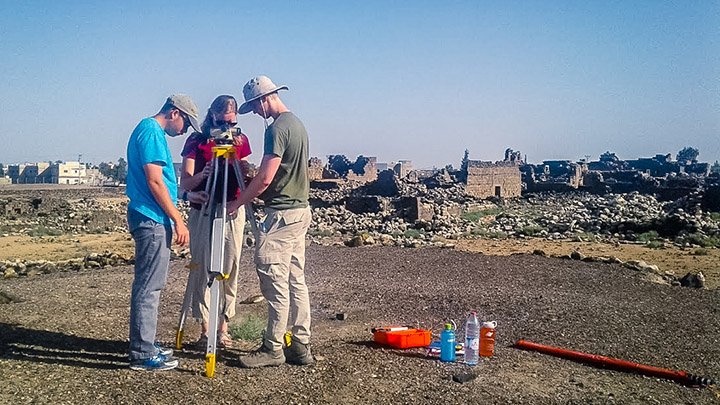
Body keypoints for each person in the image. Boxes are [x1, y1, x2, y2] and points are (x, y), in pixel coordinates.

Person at [232, 75, 313, 368]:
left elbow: (267, 177)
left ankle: (273, 347)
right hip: (299, 210)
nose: (255, 112)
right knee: (295, 279)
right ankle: (301, 344)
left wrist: (238, 202)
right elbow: (285, 172)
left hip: (281, 216)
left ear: (265, 99)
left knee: (274, 280)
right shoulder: (298, 125)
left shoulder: (277, 129)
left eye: (255, 106)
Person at [126, 94, 202, 371]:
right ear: (174, 112)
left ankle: (144, 344)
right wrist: (178, 221)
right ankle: (143, 352)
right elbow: (155, 181)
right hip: (152, 218)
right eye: (185, 124)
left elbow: (158, 181)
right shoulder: (151, 132)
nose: (183, 131)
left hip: (151, 216)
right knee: (149, 287)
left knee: (149, 285)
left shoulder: (147, 131)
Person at [179, 95, 252, 348]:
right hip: (204, 208)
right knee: (201, 267)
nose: (226, 129)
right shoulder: (196, 141)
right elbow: (185, 183)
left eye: (231, 123)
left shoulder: (240, 141)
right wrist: (202, 176)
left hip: (231, 207)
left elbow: (244, 175)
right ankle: (204, 329)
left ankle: (223, 327)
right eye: (222, 123)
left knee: (229, 268)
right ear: (212, 116)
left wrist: (243, 170)